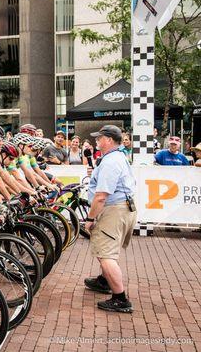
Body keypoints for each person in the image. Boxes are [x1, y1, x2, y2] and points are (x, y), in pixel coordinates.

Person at [83, 125, 136, 313]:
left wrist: (90, 218)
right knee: (107, 249)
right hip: (124, 207)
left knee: (106, 254)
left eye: (100, 138)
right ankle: (105, 281)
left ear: (109, 140)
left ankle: (120, 298)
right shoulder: (117, 157)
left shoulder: (110, 161)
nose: (97, 141)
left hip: (113, 209)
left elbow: (101, 196)